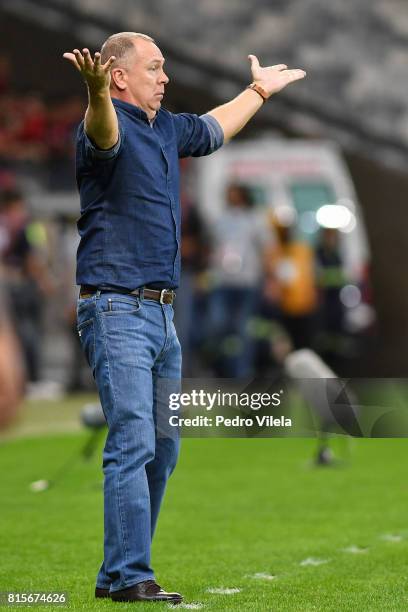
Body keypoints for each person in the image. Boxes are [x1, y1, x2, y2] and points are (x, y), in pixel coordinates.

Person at [63, 31, 306, 604]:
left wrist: (258, 92)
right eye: (154, 67)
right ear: (119, 76)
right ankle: (129, 576)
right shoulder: (104, 124)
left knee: (164, 447)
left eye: (164, 66)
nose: (165, 76)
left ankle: (117, 571)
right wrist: (96, 96)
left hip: (163, 317)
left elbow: (217, 126)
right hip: (117, 306)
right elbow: (104, 132)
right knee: (133, 441)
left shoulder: (166, 127)